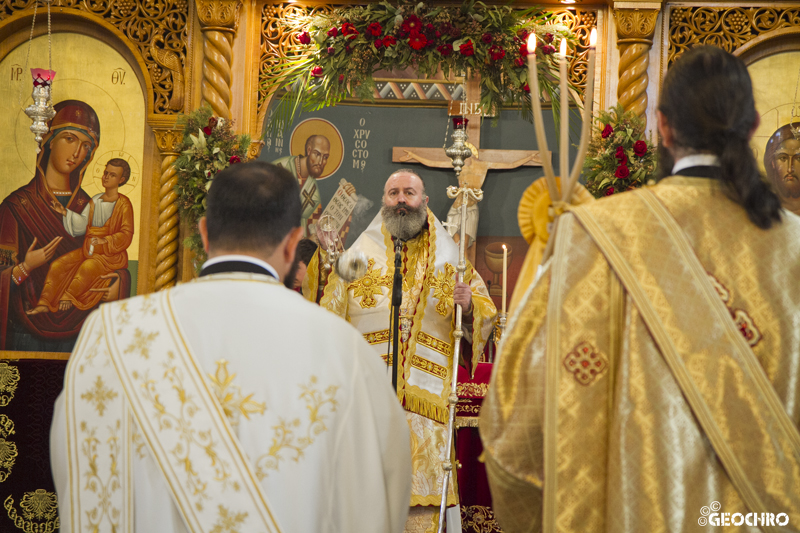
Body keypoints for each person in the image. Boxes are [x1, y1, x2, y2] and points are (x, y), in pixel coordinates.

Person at [480, 45, 800, 532]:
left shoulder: (593, 236)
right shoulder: (794, 248)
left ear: (663, 126)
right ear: (753, 125)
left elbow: (515, 425)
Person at [50, 161, 412, 532]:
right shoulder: (343, 351)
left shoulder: (112, 333)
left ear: (204, 234)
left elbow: (75, 461)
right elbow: (385, 484)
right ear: (292, 243)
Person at [305, 169, 497, 531]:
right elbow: (325, 309)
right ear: (384, 201)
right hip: (370, 404)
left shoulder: (450, 258)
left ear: (424, 202)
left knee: (421, 512)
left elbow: (485, 315)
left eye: (409, 193)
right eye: (393, 193)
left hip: (427, 409)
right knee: (366, 503)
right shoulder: (361, 253)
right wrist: (328, 255)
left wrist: (470, 305)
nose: (401, 200)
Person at [0, 100, 128, 351]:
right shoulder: (16, 207)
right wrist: (25, 267)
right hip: (25, 335)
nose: (77, 152)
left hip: (82, 333)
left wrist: (118, 283)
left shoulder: (91, 207)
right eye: (70, 139)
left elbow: (112, 257)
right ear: (48, 140)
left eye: (86, 146)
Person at [28, 159, 134, 315]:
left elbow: (126, 234)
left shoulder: (124, 204)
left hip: (109, 256)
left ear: (121, 180)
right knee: (58, 264)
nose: (106, 177)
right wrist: (65, 213)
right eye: (105, 173)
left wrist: (105, 240)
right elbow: (82, 224)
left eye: (112, 175)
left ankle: (68, 296)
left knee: (88, 267)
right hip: (88, 249)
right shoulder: (95, 200)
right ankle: (44, 302)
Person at [272, 134, 329, 237]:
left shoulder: (312, 187)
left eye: (325, 157)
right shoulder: (281, 168)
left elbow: (314, 222)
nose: (320, 162)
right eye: (317, 154)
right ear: (309, 150)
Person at [764, 123, 800, 216]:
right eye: (783, 158)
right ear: (772, 163)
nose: (790, 168)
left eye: (798, 159)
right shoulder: (763, 208)